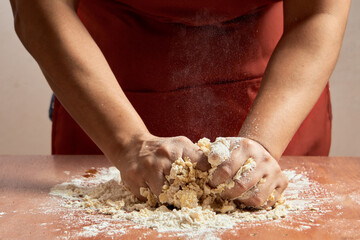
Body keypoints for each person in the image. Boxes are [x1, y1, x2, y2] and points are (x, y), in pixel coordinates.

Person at [9, 0, 350, 208]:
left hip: (280, 91)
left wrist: (264, 141)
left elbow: (319, 13)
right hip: (105, 95)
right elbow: (39, 7)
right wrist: (127, 142)